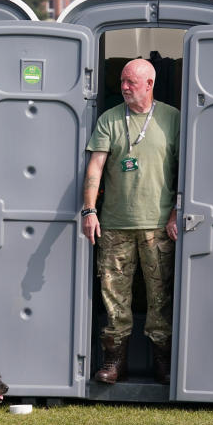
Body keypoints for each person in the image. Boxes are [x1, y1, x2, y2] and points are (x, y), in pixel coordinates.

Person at [82, 59, 180, 385]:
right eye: (123, 81)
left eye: (131, 82)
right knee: (113, 297)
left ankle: (162, 362)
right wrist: (89, 209)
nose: (124, 87)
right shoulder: (110, 119)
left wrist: (177, 209)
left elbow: (187, 169)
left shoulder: (172, 118)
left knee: (160, 298)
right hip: (114, 225)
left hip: (157, 226)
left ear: (150, 84)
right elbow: (95, 166)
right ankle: (114, 362)